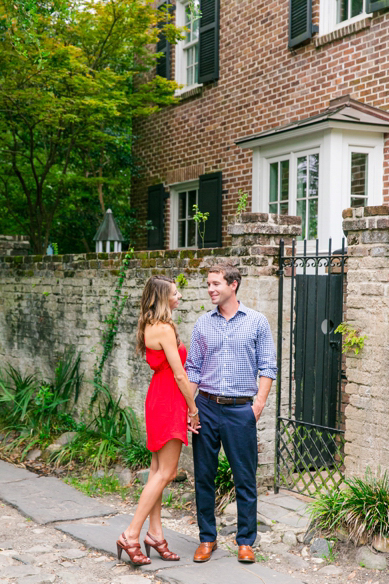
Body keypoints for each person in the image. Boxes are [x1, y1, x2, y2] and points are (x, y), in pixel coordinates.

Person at [186, 264, 277, 564]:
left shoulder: (257, 322)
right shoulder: (202, 324)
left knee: (245, 478)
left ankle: (245, 542)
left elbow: (267, 366)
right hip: (207, 408)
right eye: (208, 284)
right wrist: (192, 409)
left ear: (233, 285)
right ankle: (207, 538)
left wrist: (258, 406)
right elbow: (193, 370)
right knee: (204, 476)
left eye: (216, 283)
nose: (211, 289)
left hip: (241, 410)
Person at [116, 275, 200, 567]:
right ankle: (131, 534)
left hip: (158, 398)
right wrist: (193, 409)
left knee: (156, 471)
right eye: (176, 294)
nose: (179, 298)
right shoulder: (164, 328)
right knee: (166, 472)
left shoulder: (150, 326)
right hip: (169, 401)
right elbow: (180, 374)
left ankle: (155, 535)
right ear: (163, 297)